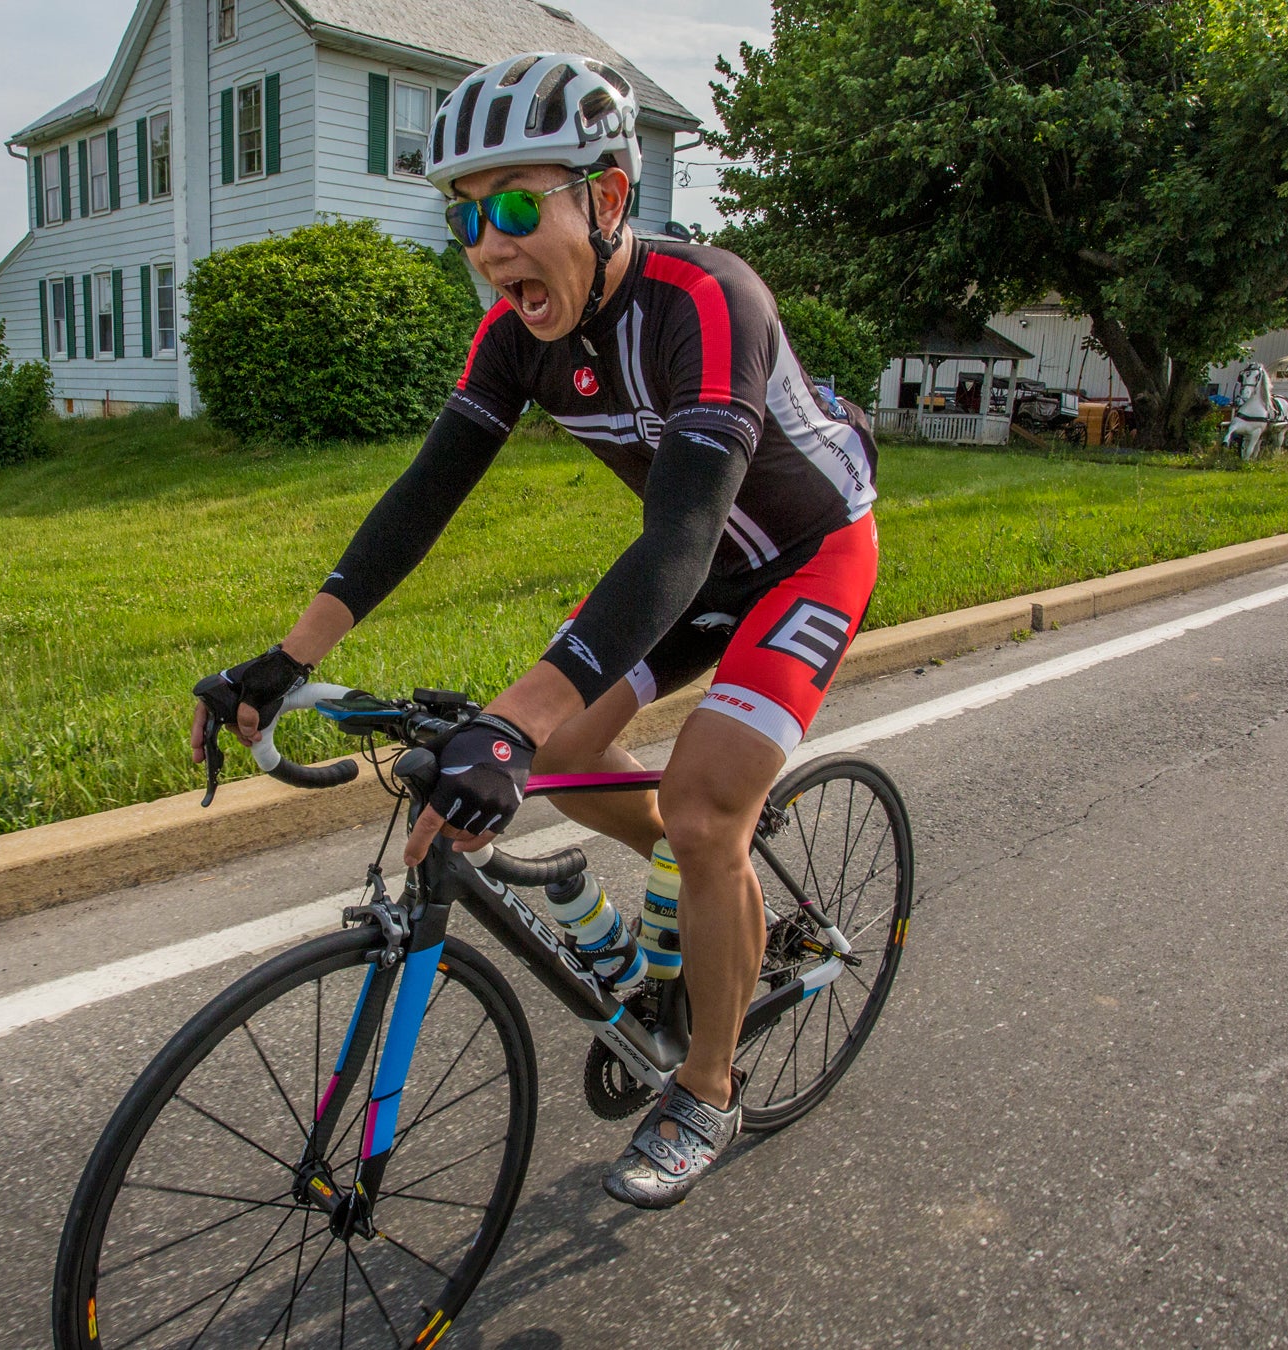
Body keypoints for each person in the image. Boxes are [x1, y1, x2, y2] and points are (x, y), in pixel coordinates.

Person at [191, 51, 879, 1209]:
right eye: (466, 217)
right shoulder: (514, 338)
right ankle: (703, 893)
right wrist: (288, 656)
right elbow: (421, 499)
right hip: (693, 564)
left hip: (802, 557)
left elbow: (680, 538)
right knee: (566, 756)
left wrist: (506, 725)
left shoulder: (709, 302)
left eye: (517, 205)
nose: (490, 244)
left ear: (608, 200)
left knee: (705, 808)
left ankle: (706, 1085)